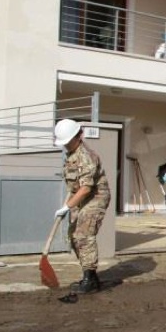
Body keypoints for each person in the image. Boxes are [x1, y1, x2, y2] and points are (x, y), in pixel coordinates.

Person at [53, 119, 111, 293]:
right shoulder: (71, 155)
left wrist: (68, 206)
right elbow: (75, 188)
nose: (65, 145)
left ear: (78, 137)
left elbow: (86, 187)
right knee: (73, 235)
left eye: (68, 141)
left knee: (84, 234)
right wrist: (66, 205)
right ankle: (91, 276)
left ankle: (89, 279)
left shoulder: (86, 156)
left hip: (96, 197)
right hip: (82, 197)